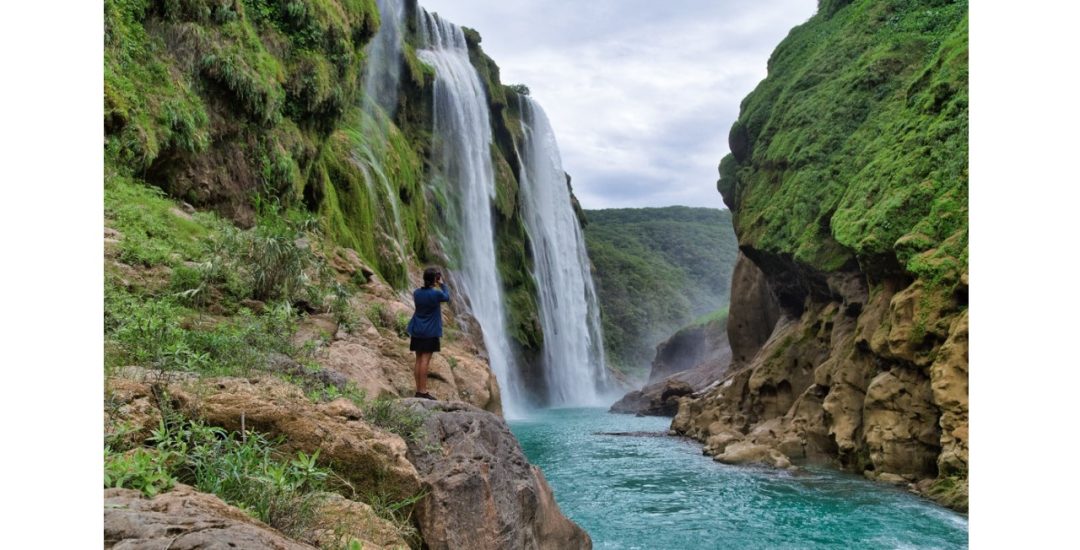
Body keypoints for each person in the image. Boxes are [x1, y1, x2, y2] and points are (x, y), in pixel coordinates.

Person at [406, 267, 450, 400]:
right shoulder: (436, 294)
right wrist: (442, 284)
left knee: (418, 359)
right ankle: (423, 391)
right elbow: (447, 297)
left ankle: (418, 390)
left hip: (417, 329)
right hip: (430, 331)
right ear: (435, 280)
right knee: (425, 360)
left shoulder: (416, 293)